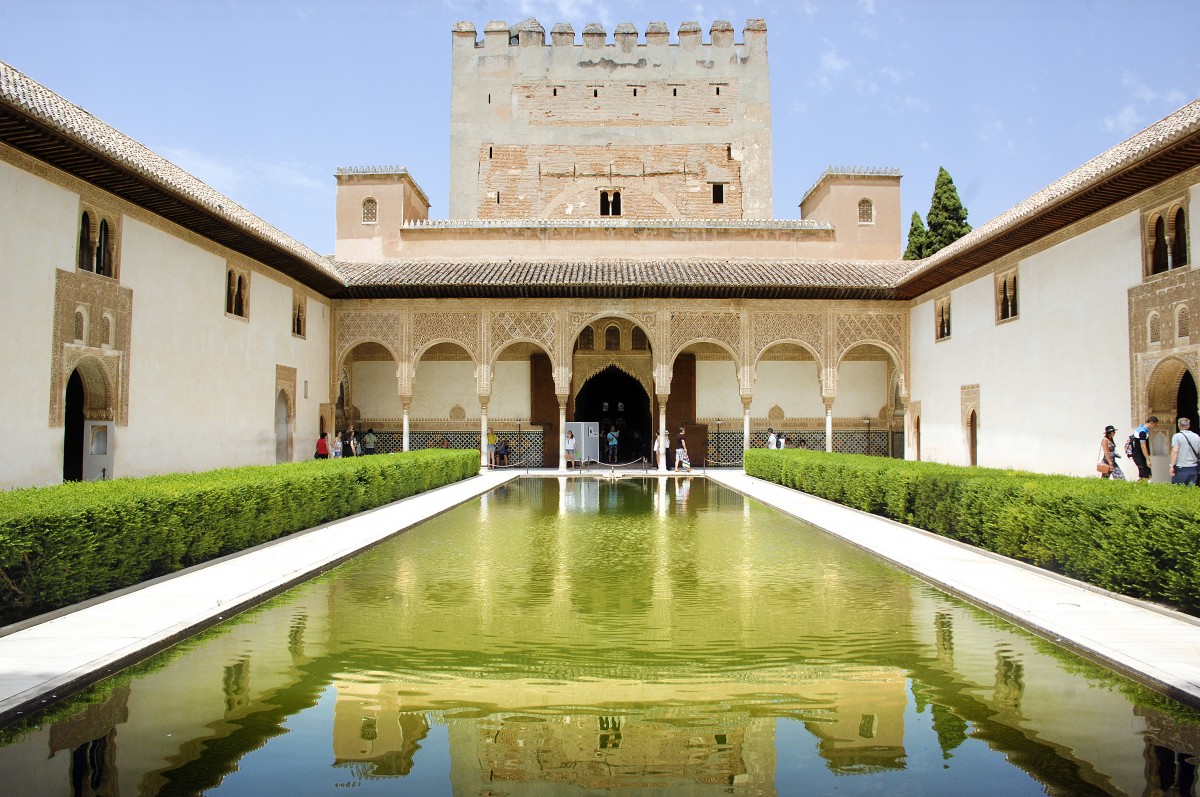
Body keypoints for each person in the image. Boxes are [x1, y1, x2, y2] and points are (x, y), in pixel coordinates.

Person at [1169, 417, 1200, 486]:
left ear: (1178, 425)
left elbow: (1175, 451)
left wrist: (1171, 466)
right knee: (1190, 491)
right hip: (1194, 467)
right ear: (1188, 426)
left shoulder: (1177, 436)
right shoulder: (1196, 436)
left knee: (1177, 491)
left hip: (1181, 467)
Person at [1128, 415, 1158, 481]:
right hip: (1139, 456)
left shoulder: (1141, 428)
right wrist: (1148, 459)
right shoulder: (1142, 432)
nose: (1154, 427)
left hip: (1141, 455)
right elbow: (1143, 446)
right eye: (1155, 425)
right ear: (1151, 423)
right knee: (1144, 476)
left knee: (1149, 475)